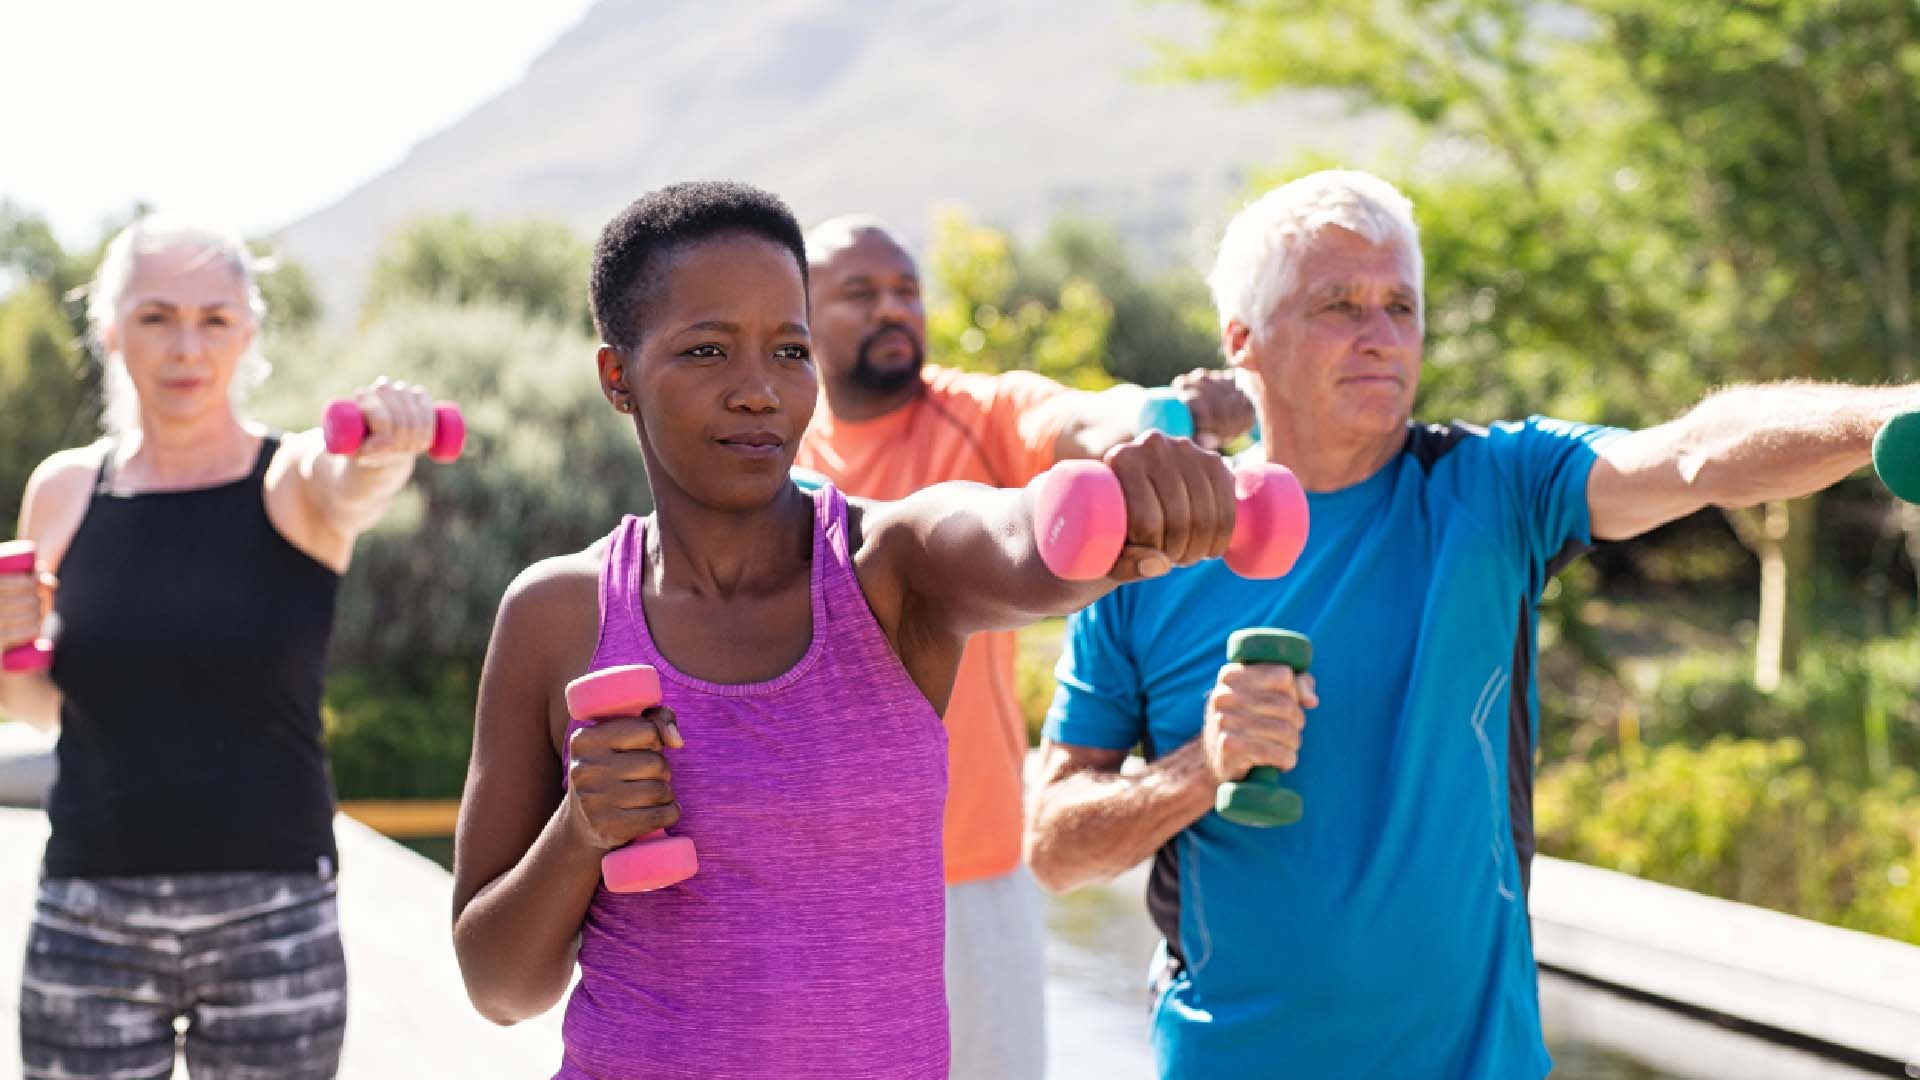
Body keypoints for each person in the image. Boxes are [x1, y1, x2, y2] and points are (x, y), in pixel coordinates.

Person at [1022, 169, 1915, 1077]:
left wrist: (1885, 416)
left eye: (1400, 307)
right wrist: (1198, 768)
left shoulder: (1494, 486)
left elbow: (1691, 454)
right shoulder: (1152, 553)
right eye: (1339, 305)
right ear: (1243, 341)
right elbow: (1054, 847)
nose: (1380, 337)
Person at [448, 181, 1241, 1080]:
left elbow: (1022, 544)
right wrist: (582, 832)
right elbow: (499, 988)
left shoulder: (890, 568)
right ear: (618, 376)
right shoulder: (557, 614)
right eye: (707, 349)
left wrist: (1129, 510)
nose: (758, 391)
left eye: (789, 350)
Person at [795, 215, 1253, 1078]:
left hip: (969, 873)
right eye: (860, 294)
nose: (893, 309)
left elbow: (1087, 419)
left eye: (906, 290)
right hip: (807, 882)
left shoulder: (979, 413)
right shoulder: (776, 447)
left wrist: (1168, 414)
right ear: (802, 316)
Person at [0, 216, 445, 1079]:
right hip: (89, 910)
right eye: (157, 317)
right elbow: (38, 707)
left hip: (273, 917)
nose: (186, 348)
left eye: (214, 320)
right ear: (109, 329)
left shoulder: (289, 481)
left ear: (249, 332)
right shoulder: (62, 490)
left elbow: (353, 482)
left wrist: (387, 451)